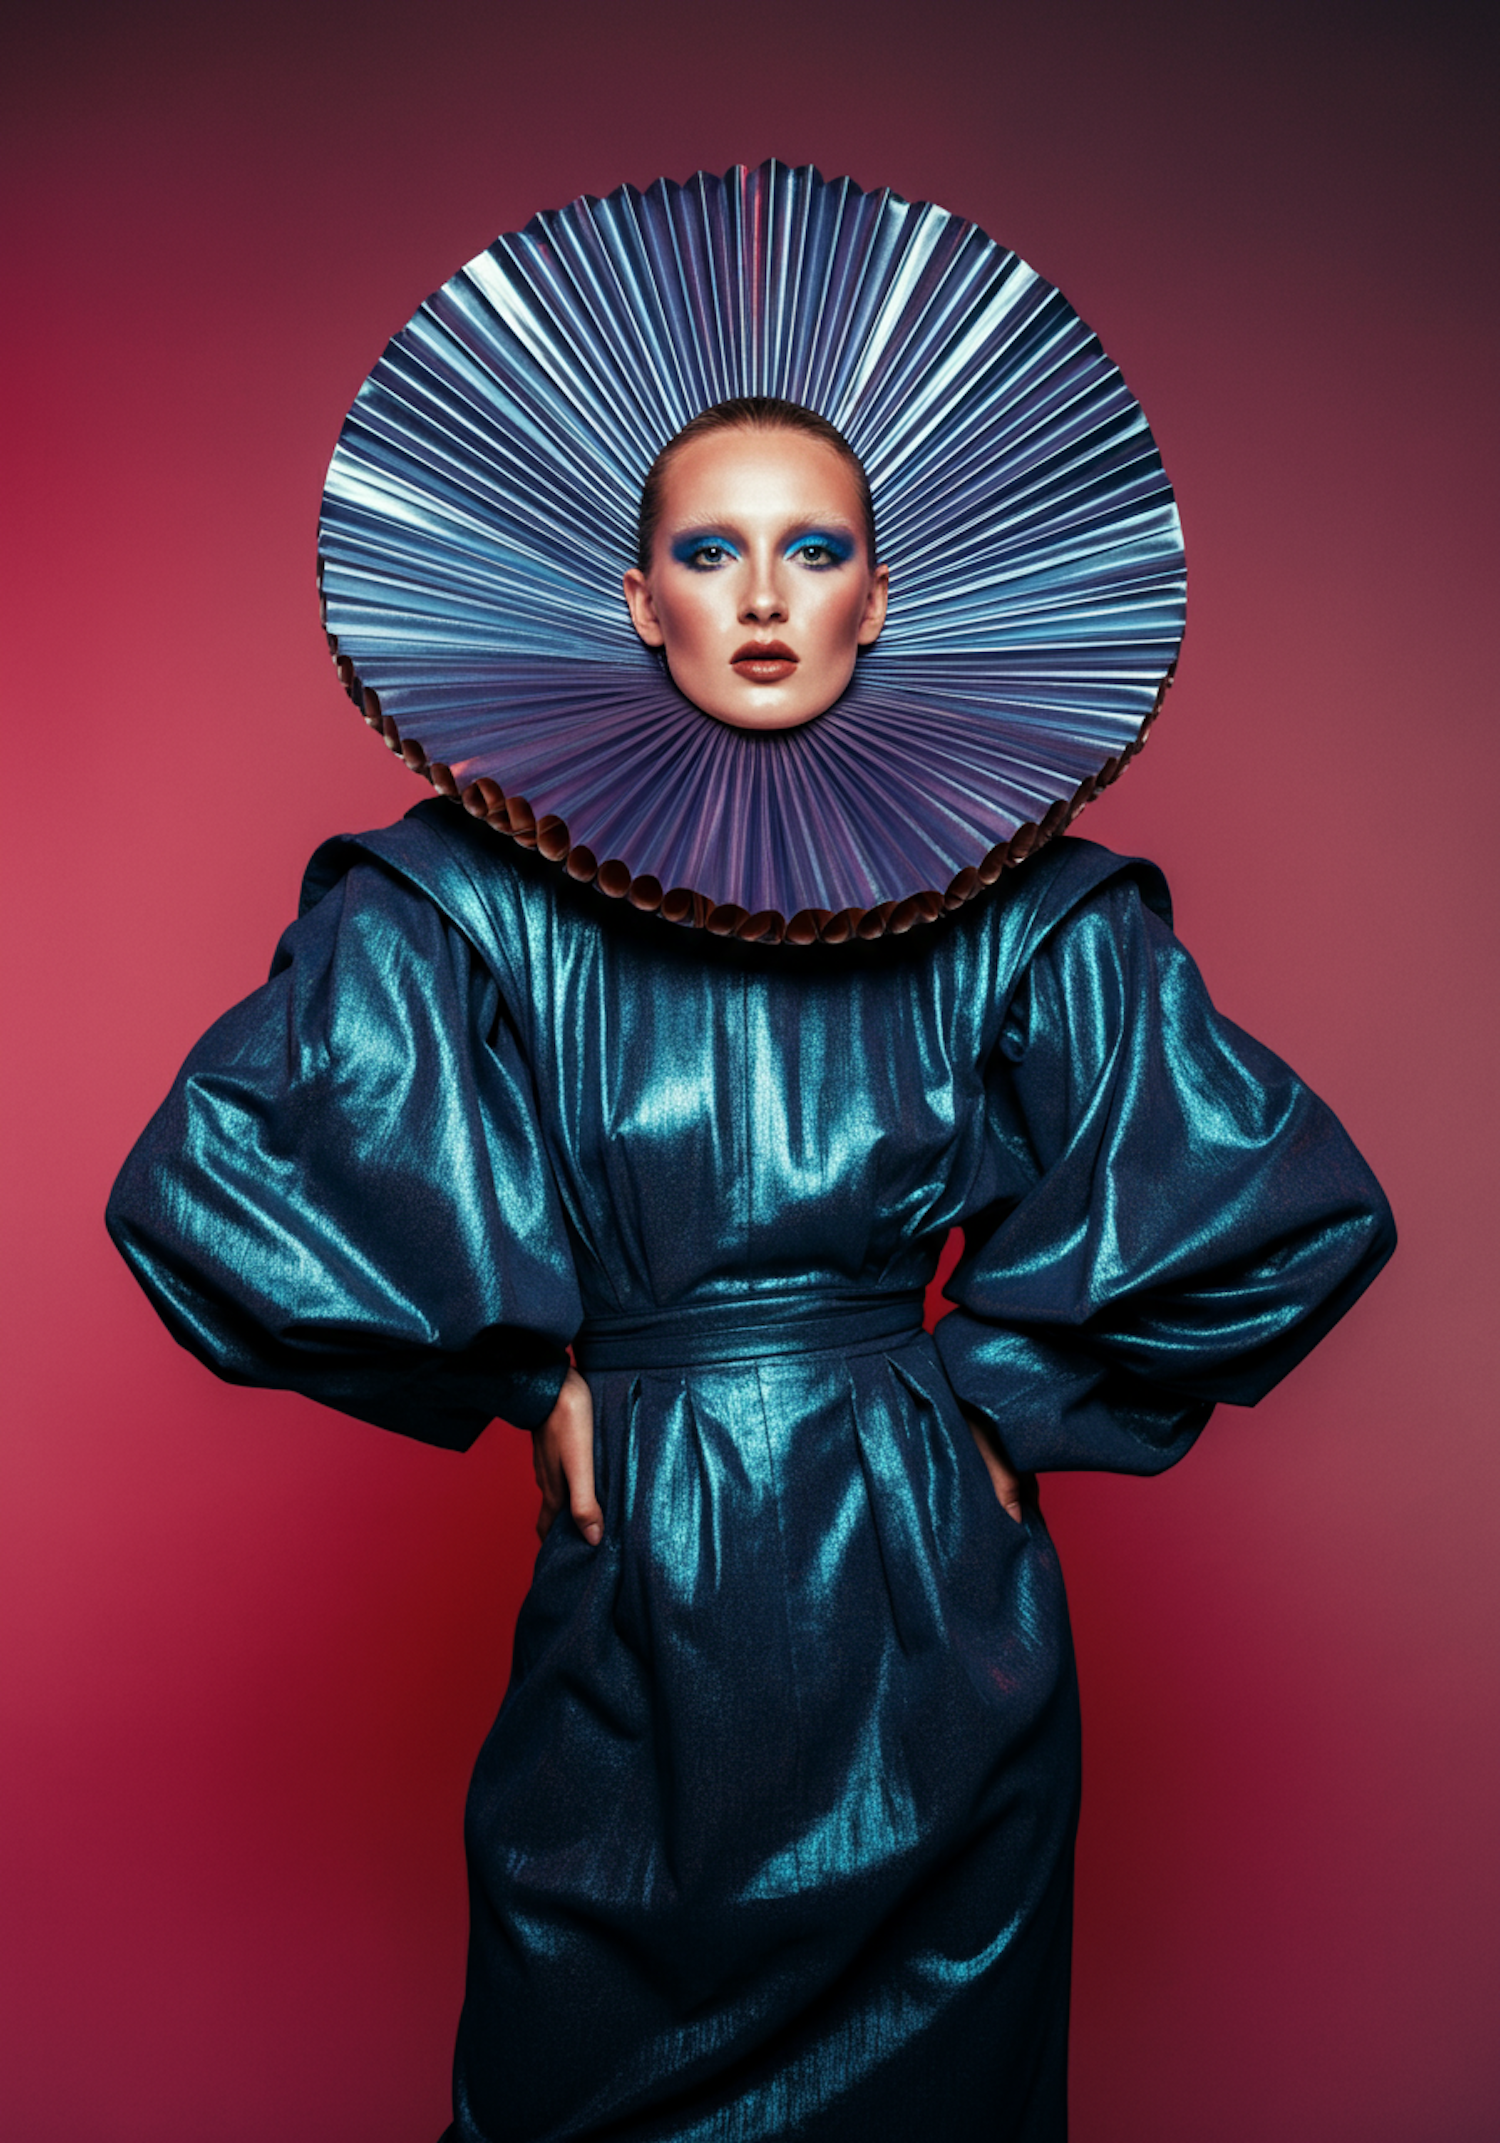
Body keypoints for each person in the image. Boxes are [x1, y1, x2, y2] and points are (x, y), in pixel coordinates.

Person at [107, 162, 1395, 2143]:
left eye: (817, 548)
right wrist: (524, 1379)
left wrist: (1005, 1393)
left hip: (931, 1606)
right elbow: (222, 1184)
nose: (768, 595)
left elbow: (1275, 1205)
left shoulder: (1027, 906)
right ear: (639, 602)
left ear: (882, 593)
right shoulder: (461, 892)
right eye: (713, 551)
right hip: (640, 1581)